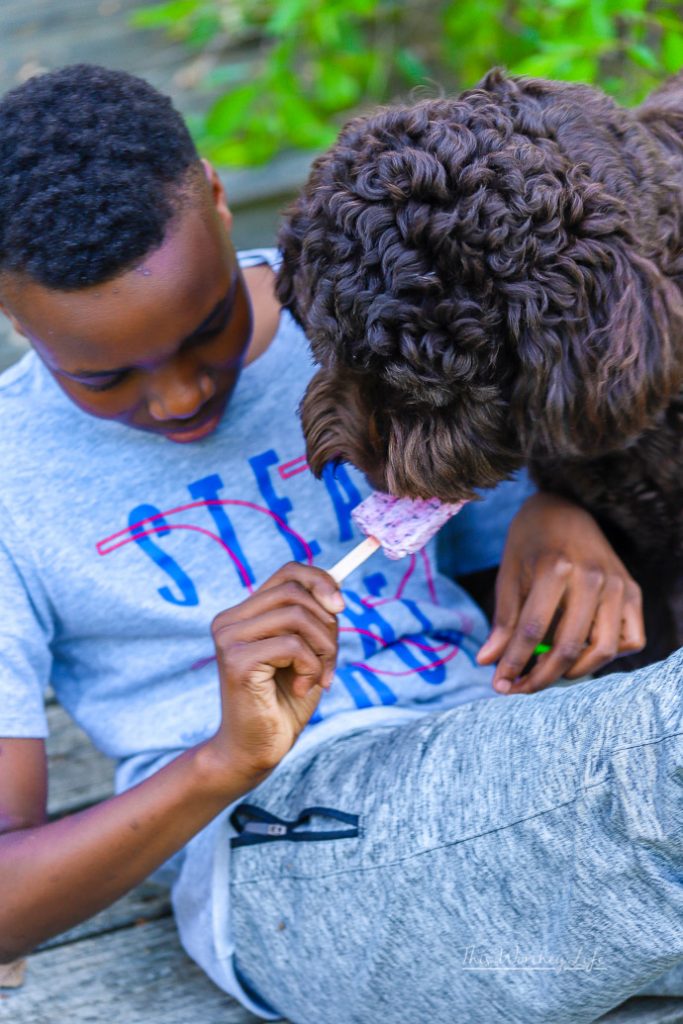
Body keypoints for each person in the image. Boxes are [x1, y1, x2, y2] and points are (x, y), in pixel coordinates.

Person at [0, 64, 679, 1024]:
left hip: (510, 751)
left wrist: (557, 507)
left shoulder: (363, 295)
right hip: (292, 846)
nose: (182, 396)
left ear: (221, 200)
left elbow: (498, 501)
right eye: (104, 378)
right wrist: (224, 759)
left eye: (210, 330)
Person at [276, 67, 683, 690]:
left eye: (429, 403)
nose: (368, 461)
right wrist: (556, 503)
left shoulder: (577, 309)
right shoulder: (561, 331)